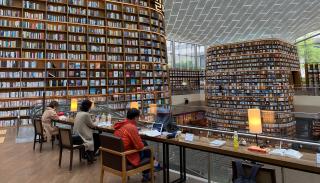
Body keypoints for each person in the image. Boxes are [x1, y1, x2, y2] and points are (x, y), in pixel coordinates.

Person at [114, 108, 154, 182]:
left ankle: (152, 168)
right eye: (138, 117)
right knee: (148, 150)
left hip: (116, 157)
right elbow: (140, 146)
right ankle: (148, 173)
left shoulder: (121, 124)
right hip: (127, 157)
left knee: (144, 143)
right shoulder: (131, 127)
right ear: (136, 117)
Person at [73, 100, 100, 164]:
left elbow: (87, 123)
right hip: (83, 136)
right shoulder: (86, 114)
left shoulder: (78, 113)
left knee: (95, 136)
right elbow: (92, 125)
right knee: (98, 137)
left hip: (77, 134)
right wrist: (97, 120)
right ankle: (90, 156)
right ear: (88, 107)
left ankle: (89, 155)